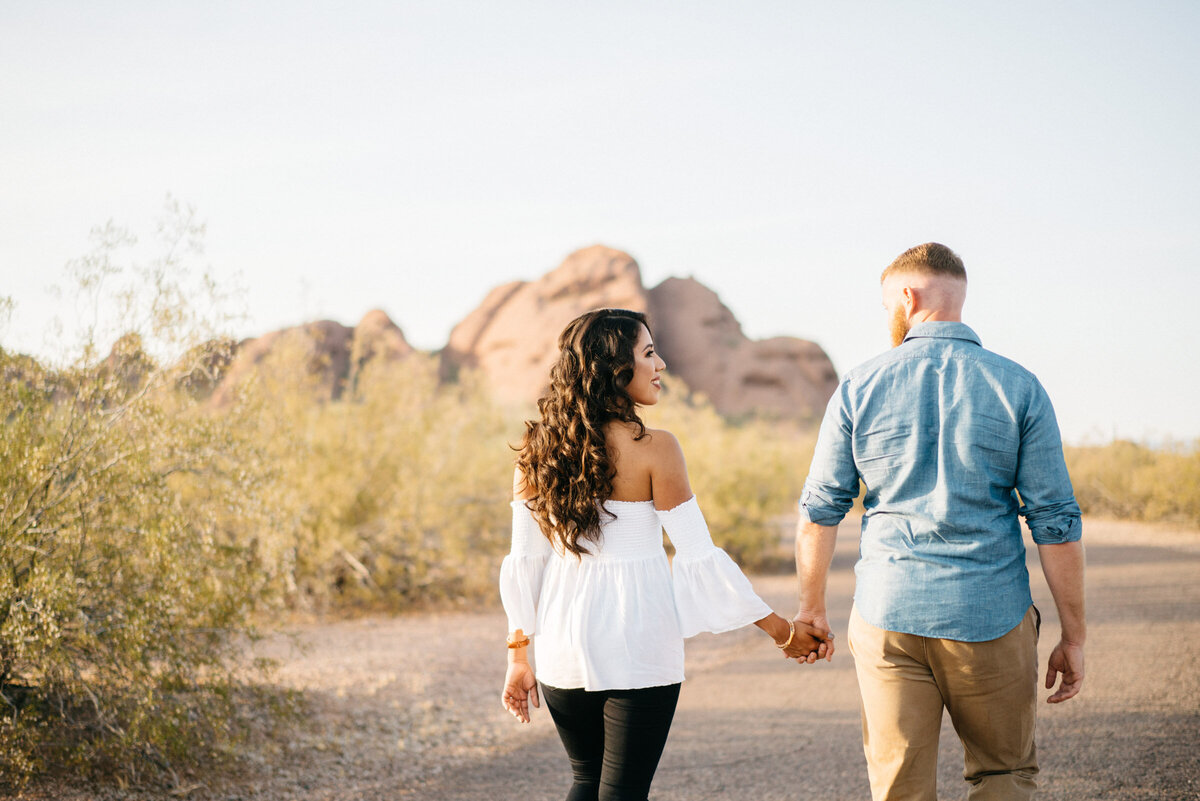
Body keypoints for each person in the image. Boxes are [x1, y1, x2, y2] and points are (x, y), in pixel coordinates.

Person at [794, 243, 1086, 801]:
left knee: (899, 786)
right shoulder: (1019, 386)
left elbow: (820, 510)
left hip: (888, 615)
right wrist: (1074, 635)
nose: (887, 318)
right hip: (991, 615)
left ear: (907, 296)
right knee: (1003, 775)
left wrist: (811, 608)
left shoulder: (859, 385)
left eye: (886, 306)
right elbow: (1056, 523)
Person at [500, 308, 829, 801]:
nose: (662, 366)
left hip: (561, 645)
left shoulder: (537, 448)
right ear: (615, 367)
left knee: (586, 781)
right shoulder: (656, 448)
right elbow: (698, 557)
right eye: (649, 353)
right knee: (622, 792)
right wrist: (782, 632)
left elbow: (524, 562)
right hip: (637, 640)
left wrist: (519, 657)